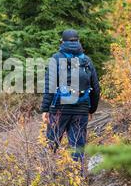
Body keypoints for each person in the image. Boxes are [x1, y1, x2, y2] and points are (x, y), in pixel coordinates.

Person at [40, 29, 100, 172]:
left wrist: (45, 109)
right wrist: (91, 109)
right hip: (81, 109)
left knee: (51, 144)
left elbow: (50, 86)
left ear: (62, 42)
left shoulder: (56, 58)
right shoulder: (86, 60)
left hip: (59, 109)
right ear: (78, 41)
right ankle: (77, 181)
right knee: (77, 147)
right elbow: (96, 87)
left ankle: (47, 179)